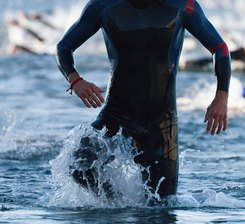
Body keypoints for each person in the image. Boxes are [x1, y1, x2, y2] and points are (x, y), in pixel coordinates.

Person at [55, 0, 231, 201]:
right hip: (116, 116)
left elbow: (221, 49)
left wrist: (221, 96)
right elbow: (64, 47)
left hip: (161, 125)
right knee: (80, 167)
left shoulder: (184, 5)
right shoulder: (103, 5)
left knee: (162, 205)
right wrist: (75, 79)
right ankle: (116, 205)